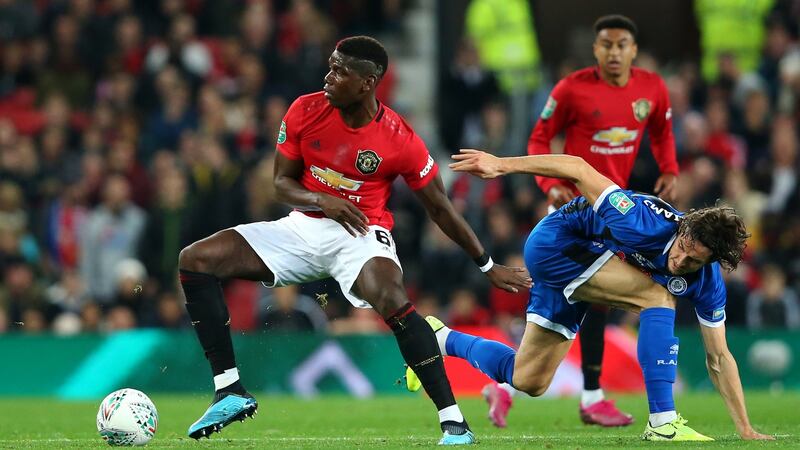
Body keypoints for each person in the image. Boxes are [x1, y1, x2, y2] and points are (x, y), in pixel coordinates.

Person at [176, 36, 531, 445]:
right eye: (330, 66)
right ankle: (229, 389)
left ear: (367, 82)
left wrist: (487, 265)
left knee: (392, 298)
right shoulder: (304, 109)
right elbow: (280, 183)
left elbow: (441, 209)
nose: (328, 77)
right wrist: (320, 200)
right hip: (302, 225)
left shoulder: (399, 138)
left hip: (362, 234)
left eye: (339, 71)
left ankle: (453, 421)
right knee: (195, 259)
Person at [408, 149, 773, 442]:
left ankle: (439, 338)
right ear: (684, 228)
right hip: (556, 243)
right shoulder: (644, 220)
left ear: (711, 262)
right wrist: (501, 164)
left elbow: (720, 358)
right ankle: (663, 422)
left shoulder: (707, 282)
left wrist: (745, 428)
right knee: (657, 296)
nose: (680, 260)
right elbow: (578, 167)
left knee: (528, 379)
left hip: (586, 267)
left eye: (694, 260)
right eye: (683, 247)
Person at [522, 14, 680, 428]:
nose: (614, 52)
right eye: (606, 45)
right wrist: (547, 185)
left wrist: (670, 169)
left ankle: (511, 387)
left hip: (615, 209)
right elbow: (539, 138)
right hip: (572, 209)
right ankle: (589, 395)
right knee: (587, 299)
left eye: (621, 44)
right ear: (595, 50)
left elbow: (662, 131)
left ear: (633, 49)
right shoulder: (571, 88)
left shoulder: (652, 88)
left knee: (578, 302)